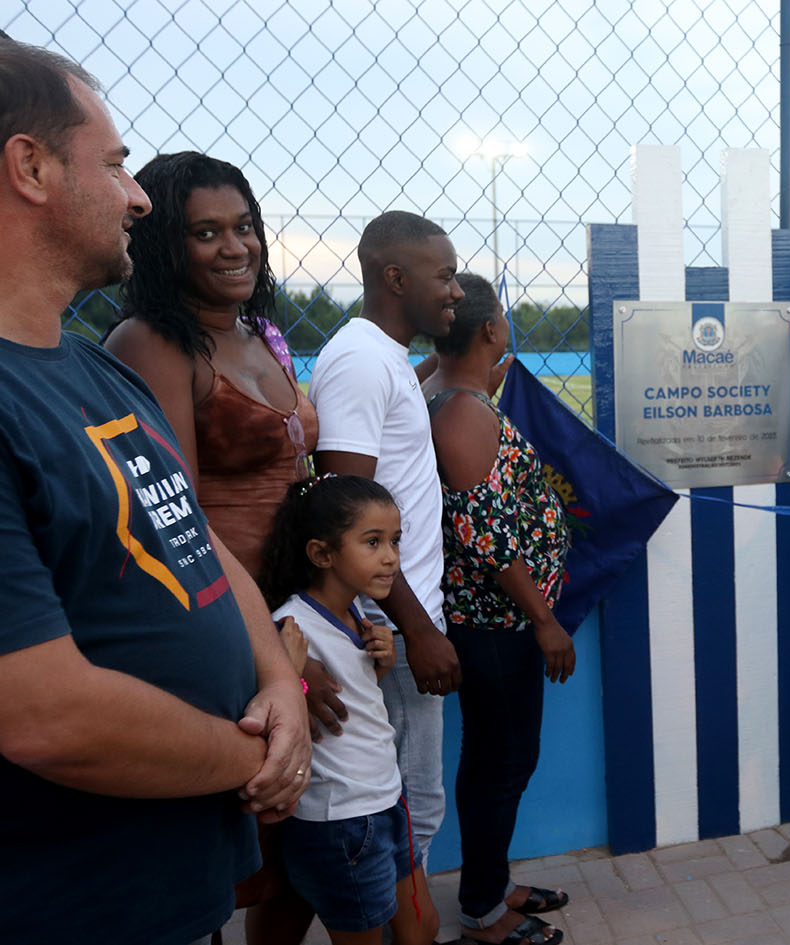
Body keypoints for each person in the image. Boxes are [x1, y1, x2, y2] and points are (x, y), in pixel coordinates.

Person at [0, 39, 310, 943]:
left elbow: (193, 538)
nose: (136, 196)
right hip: (70, 901)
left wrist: (278, 681)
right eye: (115, 164)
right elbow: (45, 715)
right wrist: (255, 756)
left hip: (171, 882)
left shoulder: (96, 375)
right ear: (30, 167)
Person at [307, 210, 464, 861]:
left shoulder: (384, 358)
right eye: (445, 275)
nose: (455, 289)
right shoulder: (360, 361)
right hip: (389, 624)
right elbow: (347, 519)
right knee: (410, 809)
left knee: (407, 807)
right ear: (396, 277)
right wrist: (419, 630)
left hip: (403, 616)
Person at [423, 273, 574, 945]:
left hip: (504, 625)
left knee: (503, 759)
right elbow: (484, 534)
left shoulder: (469, 397)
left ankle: (493, 879)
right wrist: (543, 620)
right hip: (495, 627)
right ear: (489, 329)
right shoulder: (459, 410)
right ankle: (483, 909)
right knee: (499, 762)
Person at [105, 151, 318, 576]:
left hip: (303, 605)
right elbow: (175, 522)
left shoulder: (262, 335)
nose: (236, 248)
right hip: (228, 608)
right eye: (206, 234)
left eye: (244, 227)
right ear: (164, 247)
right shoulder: (150, 343)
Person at [259, 474, 440, 945]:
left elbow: (349, 704)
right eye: (373, 542)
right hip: (341, 821)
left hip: (384, 799)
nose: (391, 557)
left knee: (423, 928)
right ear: (322, 554)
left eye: (395, 541)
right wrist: (292, 675)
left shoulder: (357, 613)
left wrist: (377, 665)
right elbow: (277, 718)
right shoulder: (290, 628)